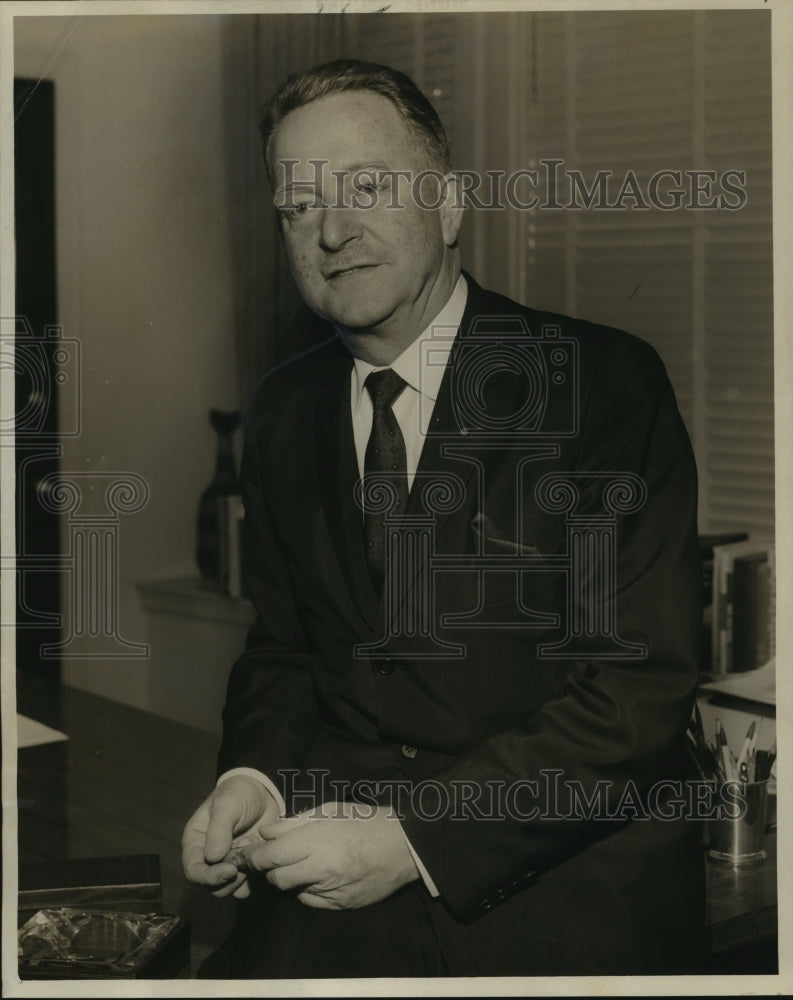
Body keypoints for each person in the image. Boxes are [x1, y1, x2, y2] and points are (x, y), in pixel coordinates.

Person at [182, 58, 706, 978]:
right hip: (338, 880)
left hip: (561, 897)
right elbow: (285, 650)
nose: (333, 231)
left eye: (367, 187)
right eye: (299, 206)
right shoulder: (280, 410)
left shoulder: (602, 386)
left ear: (451, 205)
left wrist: (410, 840)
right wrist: (252, 777)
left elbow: (632, 701)